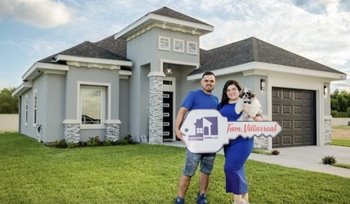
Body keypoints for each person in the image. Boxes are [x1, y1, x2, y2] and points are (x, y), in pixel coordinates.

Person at [175, 71, 219, 204]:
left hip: (210, 142)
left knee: (206, 171)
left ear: (214, 83)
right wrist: (177, 129)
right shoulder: (193, 95)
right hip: (195, 141)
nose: (209, 83)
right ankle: (180, 198)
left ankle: (202, 196)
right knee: (188, 171)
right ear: (202, 82)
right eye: (206, 80)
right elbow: (182, 111)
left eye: (211, 81)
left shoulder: (215, 100)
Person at [218, 80, 262, 204]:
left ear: (239, 90)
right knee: (239, 170)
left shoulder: (247, 102)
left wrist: (248, 110)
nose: (231, 92)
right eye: (228, 90)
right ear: (225, 93)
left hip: (243, 141)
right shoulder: (221, 105)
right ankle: (245, 200)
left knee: (230, 168)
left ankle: (237, 201)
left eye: (234, 89)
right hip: (228, 142)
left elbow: (259, 120)